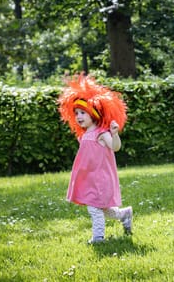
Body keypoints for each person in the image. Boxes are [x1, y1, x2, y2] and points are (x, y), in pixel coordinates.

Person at [58, 74, 132, 244]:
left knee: (94, 209)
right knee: (105, 209)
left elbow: (115, 147)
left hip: (100, 179)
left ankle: (98, 238)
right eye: (76, 113)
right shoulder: (84, 135)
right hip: (89, 179)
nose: (78, 116)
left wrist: (114, 135)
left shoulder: (101, 133)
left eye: (83, 112)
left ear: (93, 113)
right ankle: (125, 214)